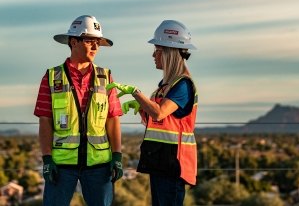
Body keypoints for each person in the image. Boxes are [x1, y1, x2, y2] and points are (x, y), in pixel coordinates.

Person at [34, 15, 123, 206]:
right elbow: (45, 120)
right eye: (90, 41)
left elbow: (113, 119)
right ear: (73, 41)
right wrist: (47, 159)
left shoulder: (106, 77)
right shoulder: (51, 77)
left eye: (98, 42)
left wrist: (117, 156)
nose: (96, 47)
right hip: (61, 165)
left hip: (99, 166)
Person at [107, 20, 198, 206]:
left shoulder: (183, 85)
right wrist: (141, 108)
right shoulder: (165, 87)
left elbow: (160, 113)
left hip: (174, 164)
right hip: (161, 162)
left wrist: (136, 92)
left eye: (156, 50)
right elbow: (159, 121)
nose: (153, 55)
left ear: (169, 52)